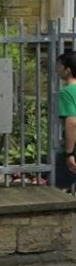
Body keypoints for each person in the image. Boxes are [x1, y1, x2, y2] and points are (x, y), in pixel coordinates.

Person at [56, 51, 76, 190]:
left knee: (57, 186)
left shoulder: (66, 92)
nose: (57, 69)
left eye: (59, 66)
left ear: (67, 70)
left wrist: (69, 153)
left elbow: (72, 122)